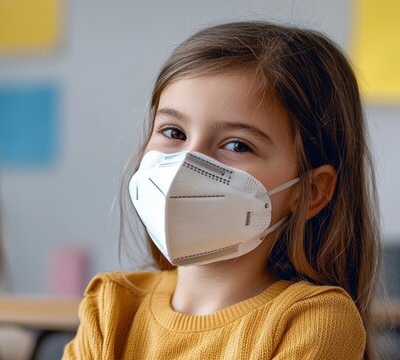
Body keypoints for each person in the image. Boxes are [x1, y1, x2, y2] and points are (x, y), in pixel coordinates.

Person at [63, 21, 381, 359]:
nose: (187, 163)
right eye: (173, 132)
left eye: (237, 145)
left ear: (311, 191)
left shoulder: (313, 322)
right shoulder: (111, 307)